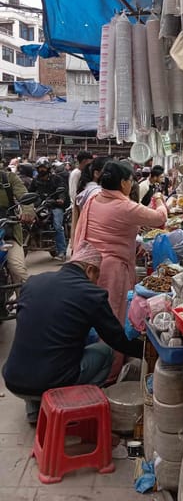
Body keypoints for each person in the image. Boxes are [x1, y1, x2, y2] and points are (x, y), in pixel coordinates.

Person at [1, 241, 144, 423]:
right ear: (90, 269)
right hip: (49, 381)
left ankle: (35, 412)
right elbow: (116, 340)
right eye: (97, 276)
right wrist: (146, 350)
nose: (97, 282)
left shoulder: (33, 282)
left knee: (41, 341)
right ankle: (76, 410)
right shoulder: (91, 294)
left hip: (13, 378)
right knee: (105, 352)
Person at [74, 161, 167, 375]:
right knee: (113, 318)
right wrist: (160, 199)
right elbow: (160, 218)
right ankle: (110, 370)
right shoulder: (124, 206)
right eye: (130, 181)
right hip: (112, 269)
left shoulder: (94, 199)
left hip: (89, 265)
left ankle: (101, 359)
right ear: (124, 183)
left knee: (95, 315)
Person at [29, 157, 68, 261]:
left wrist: (61, 199)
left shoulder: (56, 179)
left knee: (57, 226)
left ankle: (62, 252)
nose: (41, 170)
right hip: (41, 206)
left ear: (48, 168)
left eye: (43, 168)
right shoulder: (35, 180)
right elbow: (29, 192)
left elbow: (62, 191)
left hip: (55, 206)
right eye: (39, 168)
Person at [0, 168, 34, 283]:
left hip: (6, 233)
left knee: (17, 269)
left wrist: (27, 211)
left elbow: (24, 195)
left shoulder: (9, 179)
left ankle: (25, 299)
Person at [68, 151, 93, 243]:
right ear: (84, 161)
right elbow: (73, 192)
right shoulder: (76, 173)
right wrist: (78, 206)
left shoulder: (83, 173)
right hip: (78, 207)